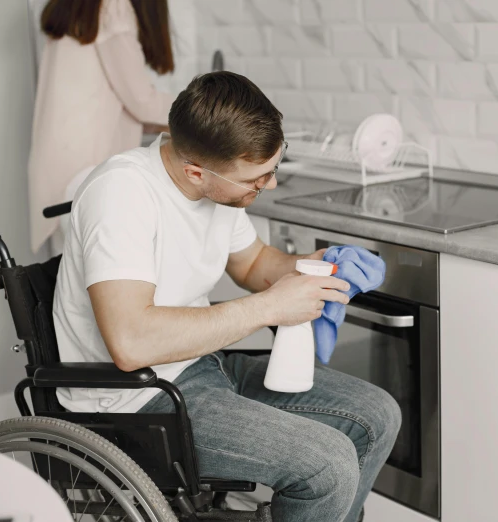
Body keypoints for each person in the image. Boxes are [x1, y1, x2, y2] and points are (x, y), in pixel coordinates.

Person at [52, 71, 402, 522]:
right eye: (257, 179)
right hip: (134, 400)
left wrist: (319, 263)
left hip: (200, 365)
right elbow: (131, 342)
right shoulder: (122, 195)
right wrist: (271, 307)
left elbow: (255, 265)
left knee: (377, 415)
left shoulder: (219, 188)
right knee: (326, 463)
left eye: (274, 168)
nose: (269, 185)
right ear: (196, 172)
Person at [28, 0, 176, 254]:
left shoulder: (77, 8)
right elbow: (140, 101)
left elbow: (110, 101)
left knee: (68, 279)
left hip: (58, 168)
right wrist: (202, 107)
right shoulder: (112, 8)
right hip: (88, 172)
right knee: (101, 277)